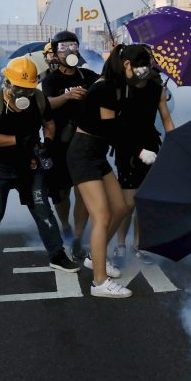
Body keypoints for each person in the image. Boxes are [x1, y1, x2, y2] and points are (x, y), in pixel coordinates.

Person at [67, 45, 161, 298]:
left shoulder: (120, 85)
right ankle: (99, 282)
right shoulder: (107, 87)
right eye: (141, 68)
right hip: (84, 154)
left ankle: (93, 256)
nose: (144, 74)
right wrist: (140, 152)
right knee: (102, 216)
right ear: (128, 65)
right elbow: (112, 131)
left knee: (120, 208)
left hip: (96, 154)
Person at [0, 56, 79, 276]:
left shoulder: (38, 99)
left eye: (28, 89)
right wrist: (18, 140)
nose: (24, 95)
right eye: (19, 88)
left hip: (28, 163)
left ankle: (57, 254)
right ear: (7, 83)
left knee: (42, 209)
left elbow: (49, 124)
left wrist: (47, 143)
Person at [112, 46, 175, 263]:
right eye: (140, 63)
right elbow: (115, 126)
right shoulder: (120, 87)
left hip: (150, 144)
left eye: (147, 63)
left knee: (144, 200)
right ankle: (120, 243)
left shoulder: (157, 88)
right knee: (128, 202)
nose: (144, 68)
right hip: (127, 147)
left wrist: (174, 140)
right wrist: (137, 151)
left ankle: (138, 244)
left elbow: (166, 118)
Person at [41, 31, 100, 259]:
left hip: (85, 144)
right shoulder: (50, 79)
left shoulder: (87, 75)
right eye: (64, 48)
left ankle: (77, 236)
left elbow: (107, 82)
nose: (69, 51)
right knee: (62, 193)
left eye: (73, 46)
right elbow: (45, 105)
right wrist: (67, 97)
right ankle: (64, 224)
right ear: (56, 52)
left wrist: (116, 54)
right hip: (59, 145)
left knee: (83, 192)